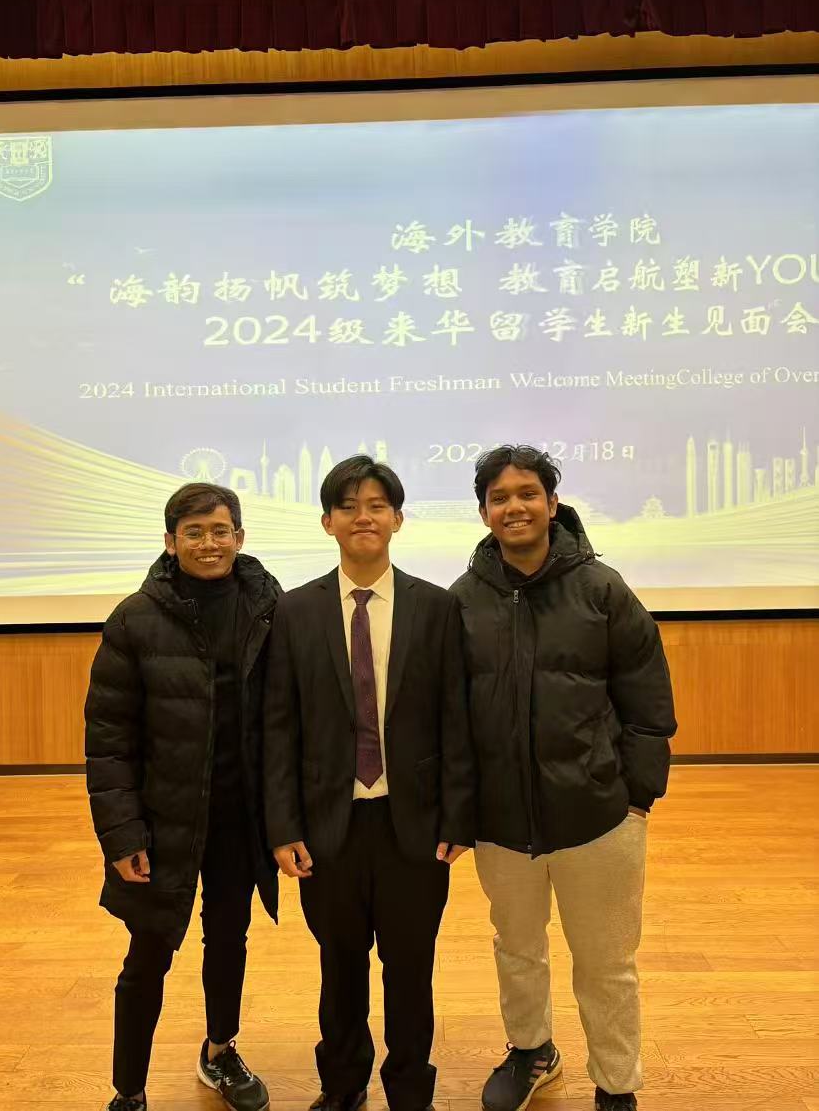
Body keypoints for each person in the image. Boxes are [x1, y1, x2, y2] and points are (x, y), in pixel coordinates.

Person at [449, 445, 677, 1111]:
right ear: (484, 512)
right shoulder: (462, 599)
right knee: (517, 948)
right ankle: (532, 1050)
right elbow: (448, 715)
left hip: (598, 815)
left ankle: (615, 1084)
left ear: (552, 503)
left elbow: (648, 700)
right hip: (500, 821)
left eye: (527, 493)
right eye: (498, 497)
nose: (514, 506)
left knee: (607, 962)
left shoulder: (602, 588)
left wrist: (636, 798)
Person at [264, 455, 476, 1111]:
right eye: (349, 506)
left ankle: (410, 1089)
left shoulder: (435, 607)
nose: (364, 516)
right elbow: (278, 726)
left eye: (378, 505)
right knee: (340, 966)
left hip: (413, 825)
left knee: (410, 969)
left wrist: (457, 818)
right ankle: (343, 1084)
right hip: (328, 827)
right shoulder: (295, 611)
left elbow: (456, 720)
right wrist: (283, 827)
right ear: (327, 521)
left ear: (398, 520)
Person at [85, 482, 281, 1111]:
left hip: (238, 818)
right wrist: (122, 835)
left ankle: (220, 1053)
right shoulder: (134, 619)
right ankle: (129, 1090)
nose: (208, 543)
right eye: (193, 533)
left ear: (239, 537)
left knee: (229, 939)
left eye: (220, 531)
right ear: (170, 542)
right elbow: (108, 741)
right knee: (148, 953)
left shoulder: (268, 607)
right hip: (160, 823)